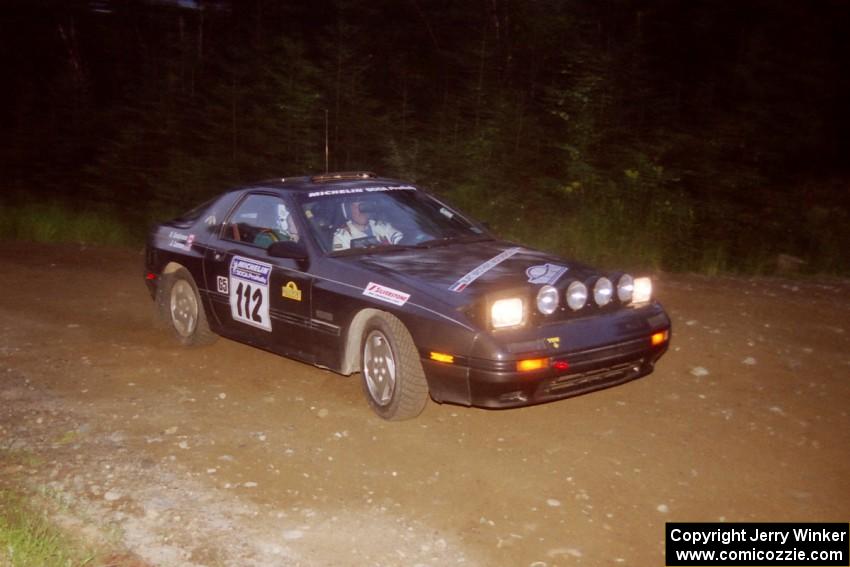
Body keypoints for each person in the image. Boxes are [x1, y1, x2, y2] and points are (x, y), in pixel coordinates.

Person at [332, 199, 403, 250]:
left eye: (364, 206)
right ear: (348, 211)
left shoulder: (382, 227)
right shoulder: (342, 236)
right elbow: (342, 264)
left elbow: (402, 241)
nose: (362, 211)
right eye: (357, 207)